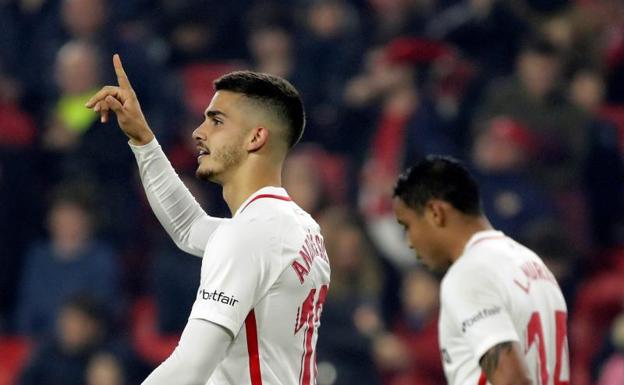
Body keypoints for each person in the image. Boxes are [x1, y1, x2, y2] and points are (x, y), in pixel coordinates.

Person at [85, 54, 331, 385]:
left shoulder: (250, 235)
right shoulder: (299, 226)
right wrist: (143, 140)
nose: (198, 132)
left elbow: (190, 368)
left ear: (255, 137)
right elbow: (190, 227)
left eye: (216, 121)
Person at [391, 155, 569, 385]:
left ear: (436, 213)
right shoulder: (532, 265)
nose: (410, 243)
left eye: (410, 227)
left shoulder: (469, 274)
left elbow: (511, 379)